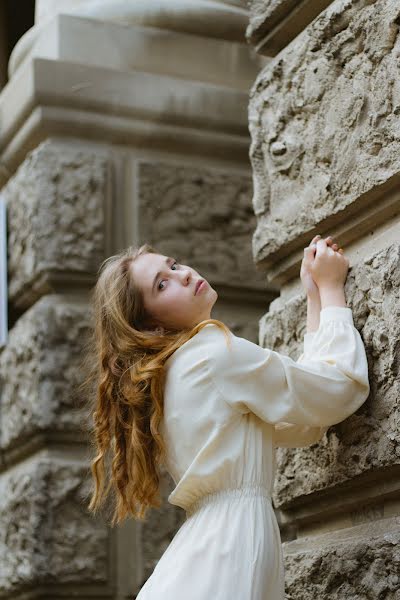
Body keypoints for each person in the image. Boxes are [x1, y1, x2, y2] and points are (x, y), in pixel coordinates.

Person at [84, 234, 370, 600]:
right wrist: (331, 289)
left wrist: (316, 298)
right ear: (151, 326)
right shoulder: (211, 354)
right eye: (162, 284)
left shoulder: (173, 377)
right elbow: (338, 390)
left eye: (172, 265)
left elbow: (301, 422)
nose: (183, 274)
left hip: (212, 546)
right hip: (230, 548)